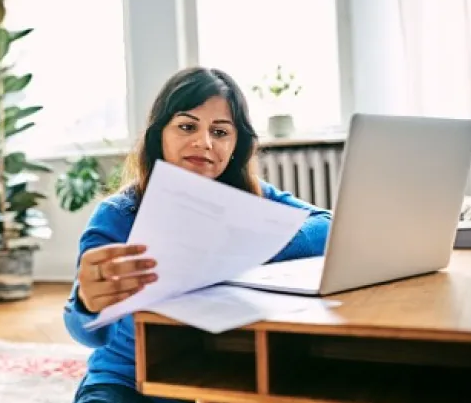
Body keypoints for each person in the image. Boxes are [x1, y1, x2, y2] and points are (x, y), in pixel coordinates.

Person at [63, 67, 332, 403]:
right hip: (129, 379)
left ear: (236, 144)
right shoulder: (119, 214)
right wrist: (86, 303)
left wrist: (252, 241)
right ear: (159, 134)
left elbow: (327, 224)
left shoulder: (251, 199)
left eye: (220, 132)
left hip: (225, 368)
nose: (203, 142)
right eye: (187, 126)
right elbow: (84, 333)